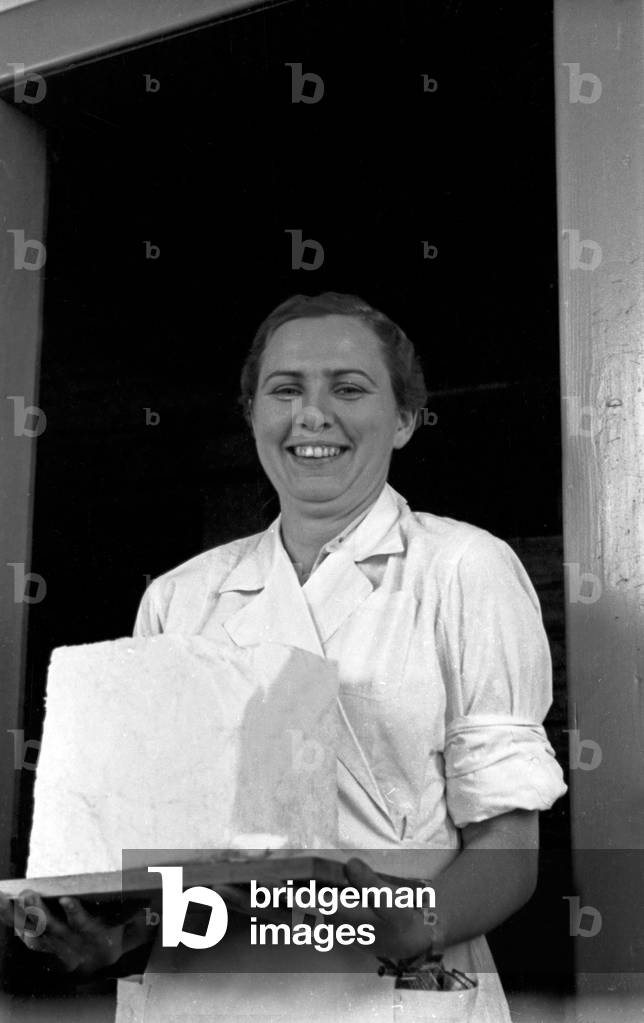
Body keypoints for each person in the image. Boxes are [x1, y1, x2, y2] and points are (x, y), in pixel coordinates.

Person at [1, 292, 567, 1021]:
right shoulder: (182, 598)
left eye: (349, 387)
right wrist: (112, 937)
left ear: (402, 420)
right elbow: (171, 866)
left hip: (392, 988)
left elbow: (510, 849)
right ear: (253, 415)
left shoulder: (464, 568)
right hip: (204, 993)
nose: (313, 414)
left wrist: (412, 924)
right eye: (286, 389)